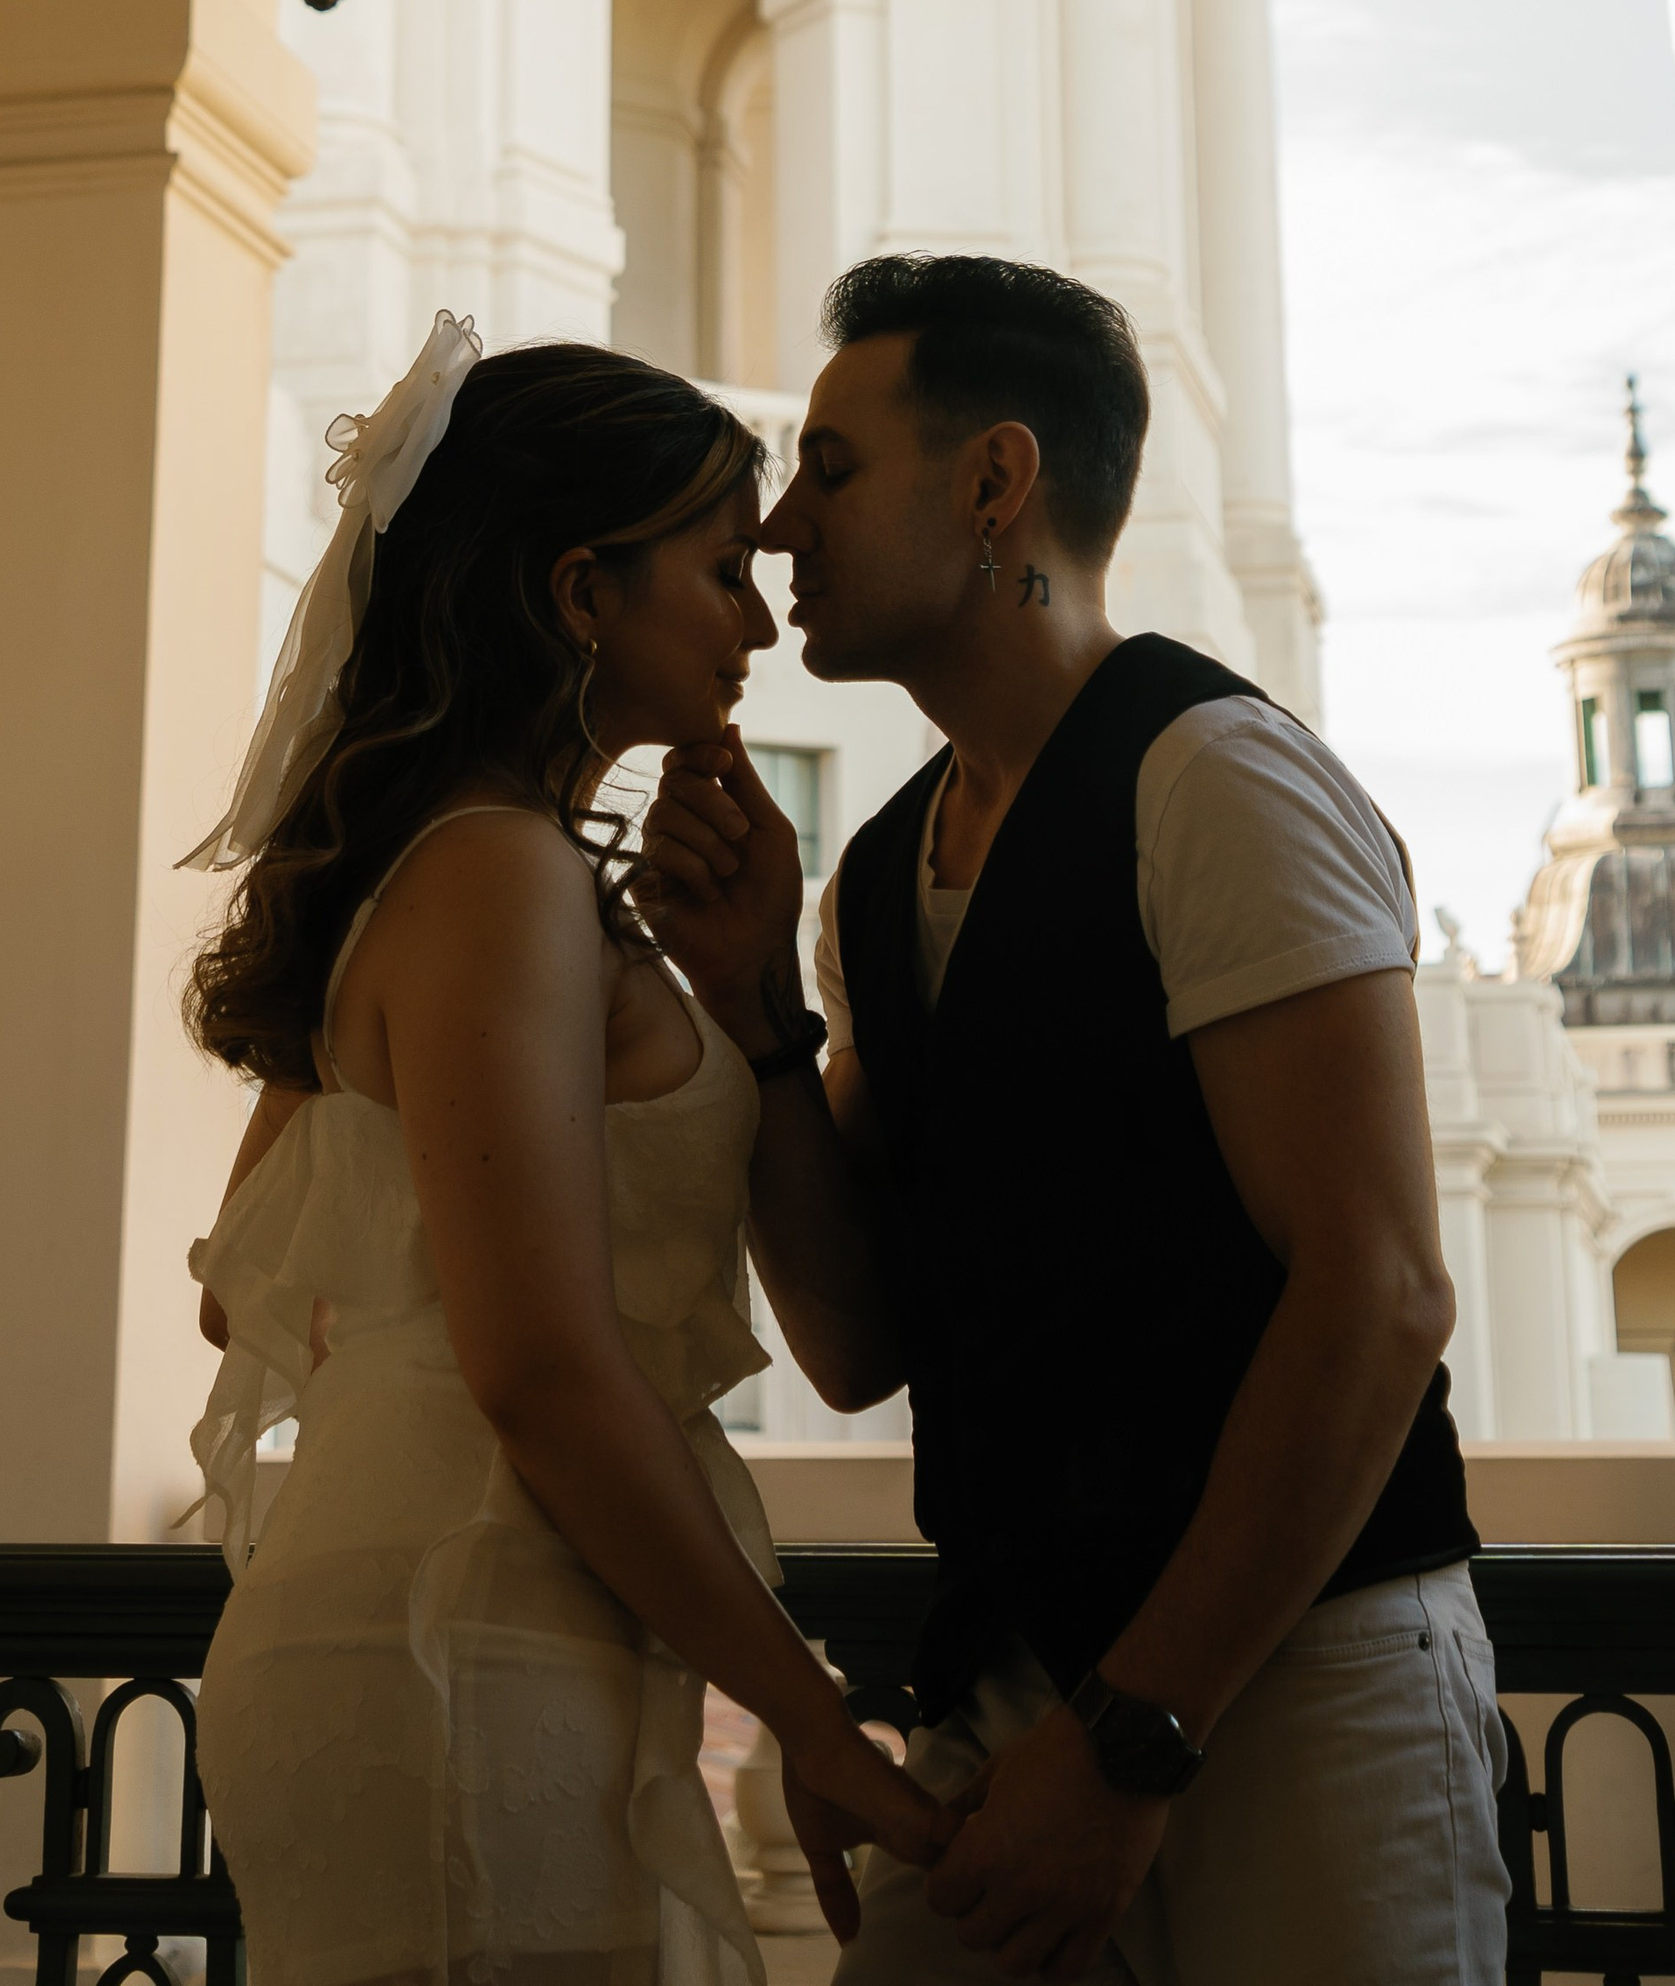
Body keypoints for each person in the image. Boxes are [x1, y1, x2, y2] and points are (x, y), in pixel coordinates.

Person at [643, 255, 1511, 1986]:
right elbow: (857, 1341)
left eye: (827, 469)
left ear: (993, 484)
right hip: (1014, 1682)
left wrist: (1137, 1736)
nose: (780, 533)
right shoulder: (883, 874)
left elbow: (1382, 1290)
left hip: (1302, 1680)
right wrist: (751, 1016)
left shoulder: (1220, 784)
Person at [182, 316, 942, 1986]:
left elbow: (245, 1286)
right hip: (461, 1635)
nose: (761, 618)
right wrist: (814, 1720)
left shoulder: (467, 871)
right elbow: (541, 1367)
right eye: (722, 570)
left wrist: (743, 996)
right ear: (582, 593)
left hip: (467, 1612)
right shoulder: (496, 877)